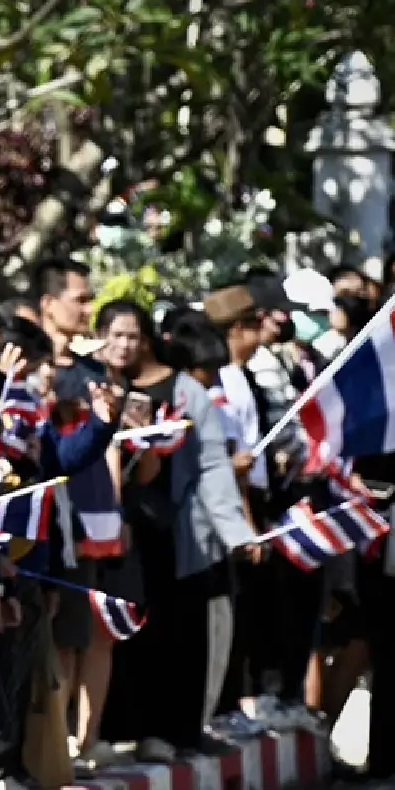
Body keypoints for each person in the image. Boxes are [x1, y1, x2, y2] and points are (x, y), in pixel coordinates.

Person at [104, 310, 256, 761]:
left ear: (149, 340)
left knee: (179, 636)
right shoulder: (100, 387)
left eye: (134, 336)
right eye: (116, 336)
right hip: (117, 535)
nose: (126, 346)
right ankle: (119, 730)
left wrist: (234, 531)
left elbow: (212, 466)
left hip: (178, 538)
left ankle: (173, 732)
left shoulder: (188, 395)